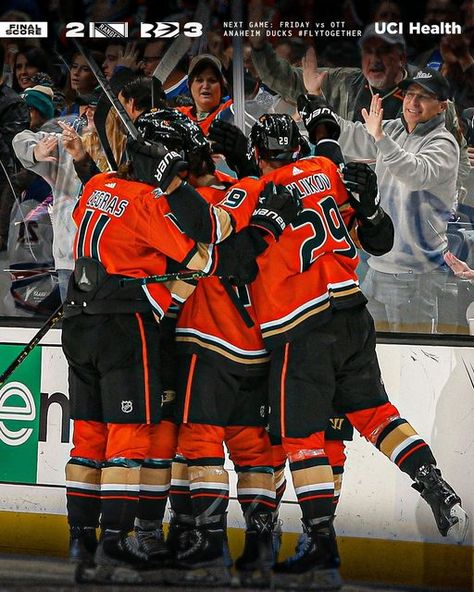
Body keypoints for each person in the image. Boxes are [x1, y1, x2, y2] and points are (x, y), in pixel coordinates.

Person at [61, 109, 300, 581]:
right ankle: (120, 544)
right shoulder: (152, 201)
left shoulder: (97, 186)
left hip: (79, 320)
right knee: (135, 438)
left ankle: (82, 542)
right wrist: (261, 230)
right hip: (130, 327)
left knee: (89, 436)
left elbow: (98, 210)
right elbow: (206, 250)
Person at [240, 109, 467, 589]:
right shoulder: (324, 174)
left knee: (301, 441)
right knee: (377, 413)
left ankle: (320, 543)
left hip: (298, 329)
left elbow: (230, 262)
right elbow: (375, 236)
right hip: (351, 315)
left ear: (256, 153)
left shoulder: (255, 193)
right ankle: (436, 485)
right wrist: (369, 208)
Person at [248, 17, 470, 187]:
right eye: (368, 51)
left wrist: (450, 203)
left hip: (408, 201)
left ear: (401, 57)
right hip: (347, 195)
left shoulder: (432, 97)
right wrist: (259, 46)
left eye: (383, 51)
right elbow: (282, 77)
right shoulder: (340, 81)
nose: (374, 59)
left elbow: (458, 160)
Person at [330, 68, 460, 332]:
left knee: (413, 362)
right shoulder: (393, 130)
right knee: (373, 353)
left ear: (441, 106)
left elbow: (414, 173)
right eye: (410, 94)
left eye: (423, 97)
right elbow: (353, 136)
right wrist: (321, 118)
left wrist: (380, 138)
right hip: (377, 268)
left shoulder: (443, 144)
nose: (412, 103)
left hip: (415, 275)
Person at [178, 54, 232, 135]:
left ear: (222, 85)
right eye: (199, 80)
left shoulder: (231, 109)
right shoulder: (179, 115)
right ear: (189, 85)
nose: (206, 86)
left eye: (212, 80)